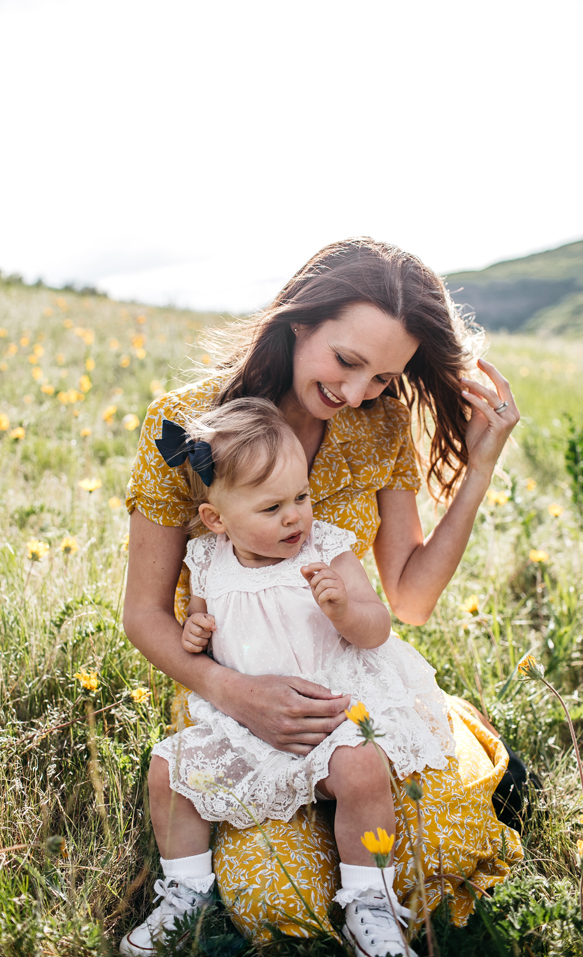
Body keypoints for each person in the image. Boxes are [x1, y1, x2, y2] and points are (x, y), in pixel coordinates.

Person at [122, 237, 523, 943]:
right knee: (279, 901)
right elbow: (145, 613)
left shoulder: (380, 425)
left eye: (382, 375)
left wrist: (478, 471)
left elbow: (411, 600)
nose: (356, 390)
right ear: (301, 320)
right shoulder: (186, 426)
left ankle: (459, 744)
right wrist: (235, 692)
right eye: (347, 360)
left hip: (348, 695)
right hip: (233, 697)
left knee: (436, 854)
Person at [121, 397, 458, 956]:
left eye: (300, 497)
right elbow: (201, 624)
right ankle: (186, 890)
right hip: (247, 719)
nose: (294, 517)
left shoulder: (326, 547)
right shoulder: (207, 559)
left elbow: (377, 627)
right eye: (272, 507)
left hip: (332, 710)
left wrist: (344, 610)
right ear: (216, 519)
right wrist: (195, 633)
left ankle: (367, 900)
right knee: (169, 769)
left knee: (363, 768)